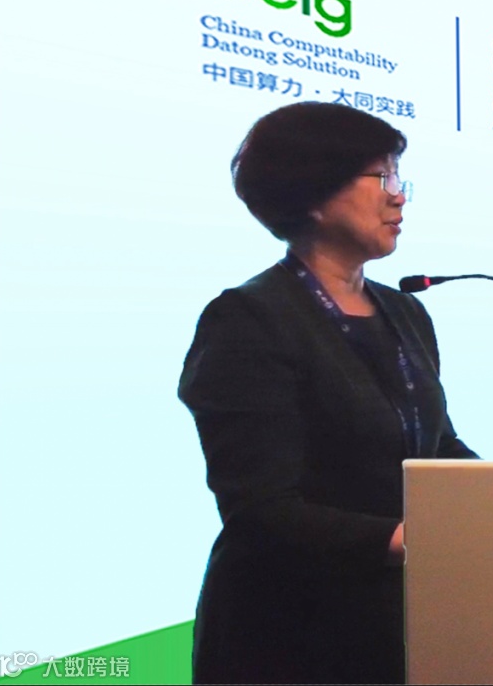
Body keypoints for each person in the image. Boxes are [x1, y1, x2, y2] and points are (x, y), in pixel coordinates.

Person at [178, 102, 477, 684]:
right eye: (382, 177)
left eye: (399, 177)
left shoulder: (405, 311)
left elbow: (435, 446)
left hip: (397, 616)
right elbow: (260, 509)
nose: (399, 196)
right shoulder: (248, 319)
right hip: (288, 631)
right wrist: (408, 537)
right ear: (312, 193)